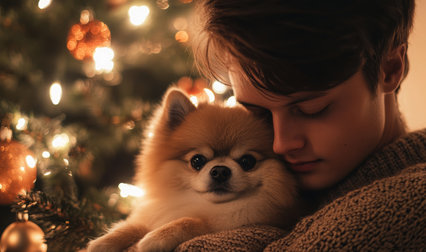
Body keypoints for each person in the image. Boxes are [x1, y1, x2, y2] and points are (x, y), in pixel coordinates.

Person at [176, 0, 425, 250]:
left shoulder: (407, 205)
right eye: (257, 114)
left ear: (389, 70)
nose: (281, 143)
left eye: (312, 110)